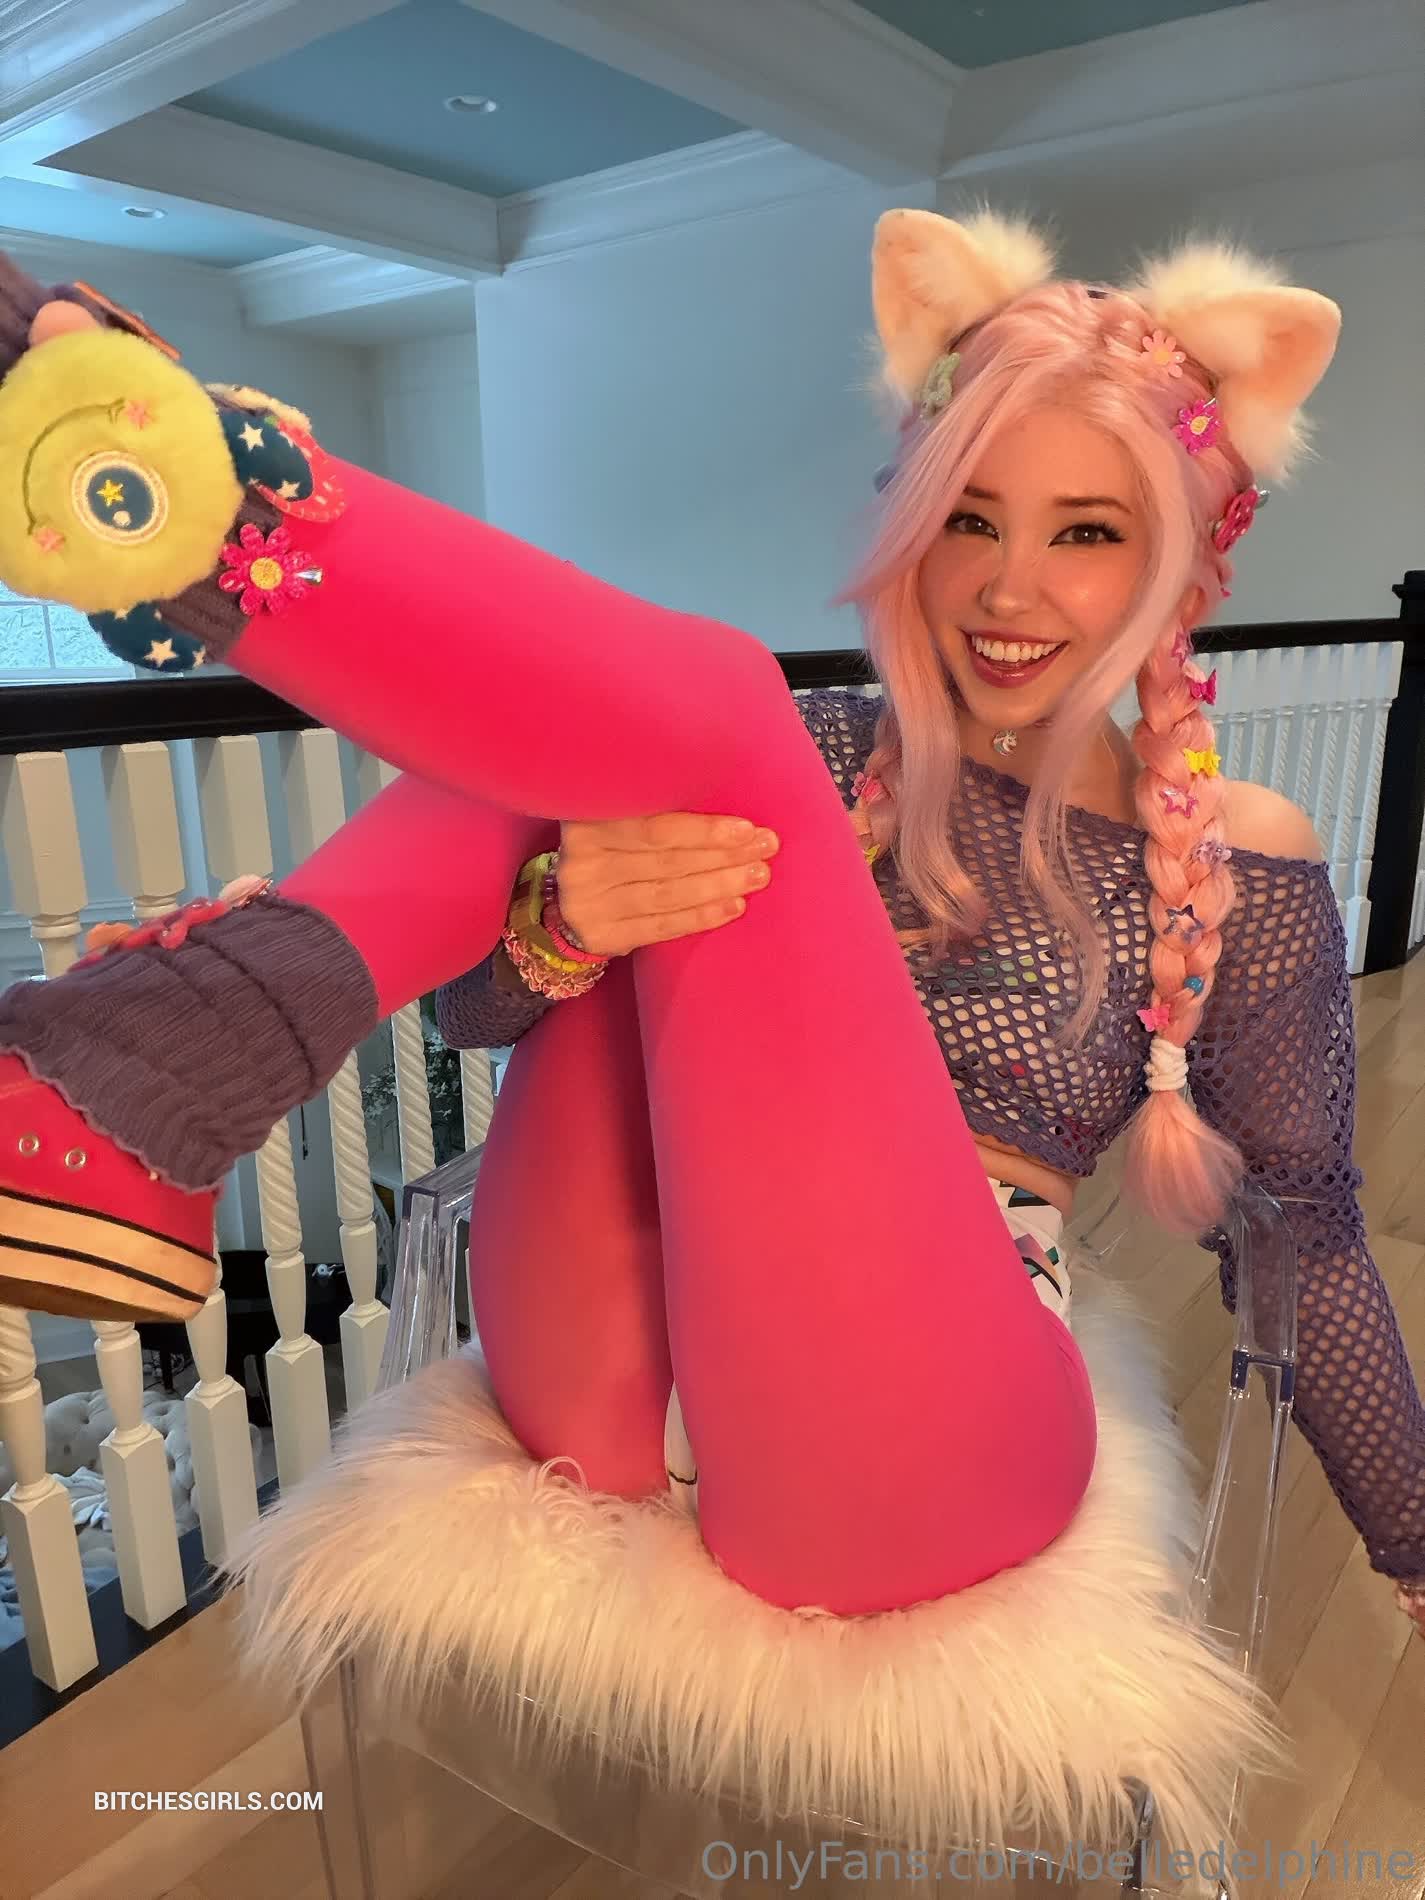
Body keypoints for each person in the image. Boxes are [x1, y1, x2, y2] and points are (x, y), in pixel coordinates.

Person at [0, 211, 1418, 1638]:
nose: (1006, 586)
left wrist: (1415, 1541)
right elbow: (474, 1017)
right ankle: (194, 1003)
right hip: (612, 1353)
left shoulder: (1231, 858)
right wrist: (564, 932)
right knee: (608, 734)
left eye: (1087, 534)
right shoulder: (807, 749)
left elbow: (1304, 1229)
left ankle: (191, 584)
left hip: (909, 1438)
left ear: (1179, 563)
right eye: (968, 516)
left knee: (694, 711)